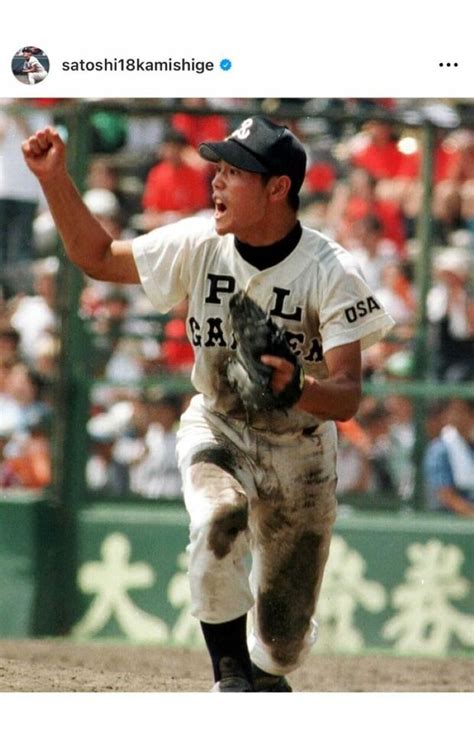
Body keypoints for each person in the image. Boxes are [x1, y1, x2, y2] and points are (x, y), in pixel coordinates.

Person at [22, 116, 394, 692]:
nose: (216, 181)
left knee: (283, 644)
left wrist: (298, 387)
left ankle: (263, 676)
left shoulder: (331, 270)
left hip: (301, 448)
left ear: (278, 187)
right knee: (218, 519)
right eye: (216, 169)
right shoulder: (200, 242)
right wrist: (54, 179)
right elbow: (97, 256)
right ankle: (229, 677)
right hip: (219, 423)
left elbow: (347, 395)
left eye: (234, 172)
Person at [424, 399, 474, 517]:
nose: (455, 416)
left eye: (461, 411)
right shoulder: (439, 450)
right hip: (447, 520)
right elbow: (446, 496)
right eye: (453, 411)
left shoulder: (470, 446)